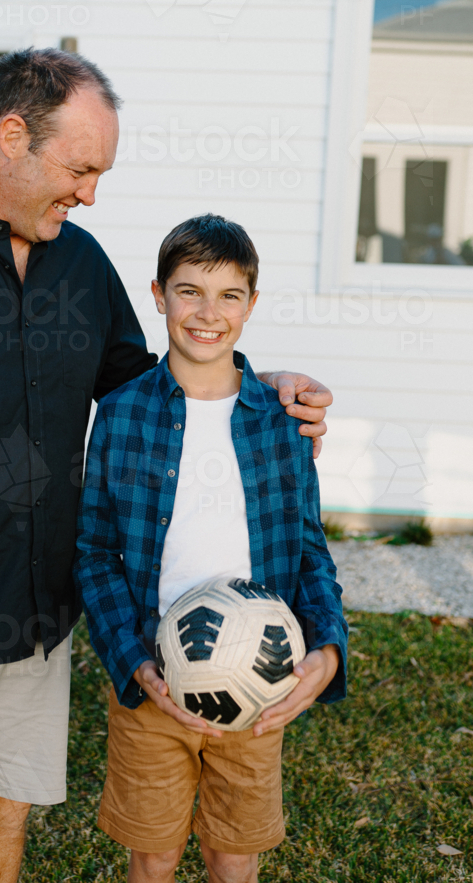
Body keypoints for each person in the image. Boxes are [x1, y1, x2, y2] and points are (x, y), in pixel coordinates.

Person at [0, 49, 333, 883]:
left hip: (36, 628)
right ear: (12, 136)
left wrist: (259, 392)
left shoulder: (78, 267)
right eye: (80, 169)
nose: (89, 194)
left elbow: (145, 388)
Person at [75, 215, 347, 883]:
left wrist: (328, 648)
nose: (206, 313)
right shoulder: (122, 413)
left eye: (228, 295)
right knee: (154, 854)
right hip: (153, 684)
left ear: (251, 305)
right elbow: (92, 552)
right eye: (188, 291)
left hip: (260, 687)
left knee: (233, 854)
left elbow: (308, 551)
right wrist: (135, 664)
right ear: (157, 294)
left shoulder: (280, 421)